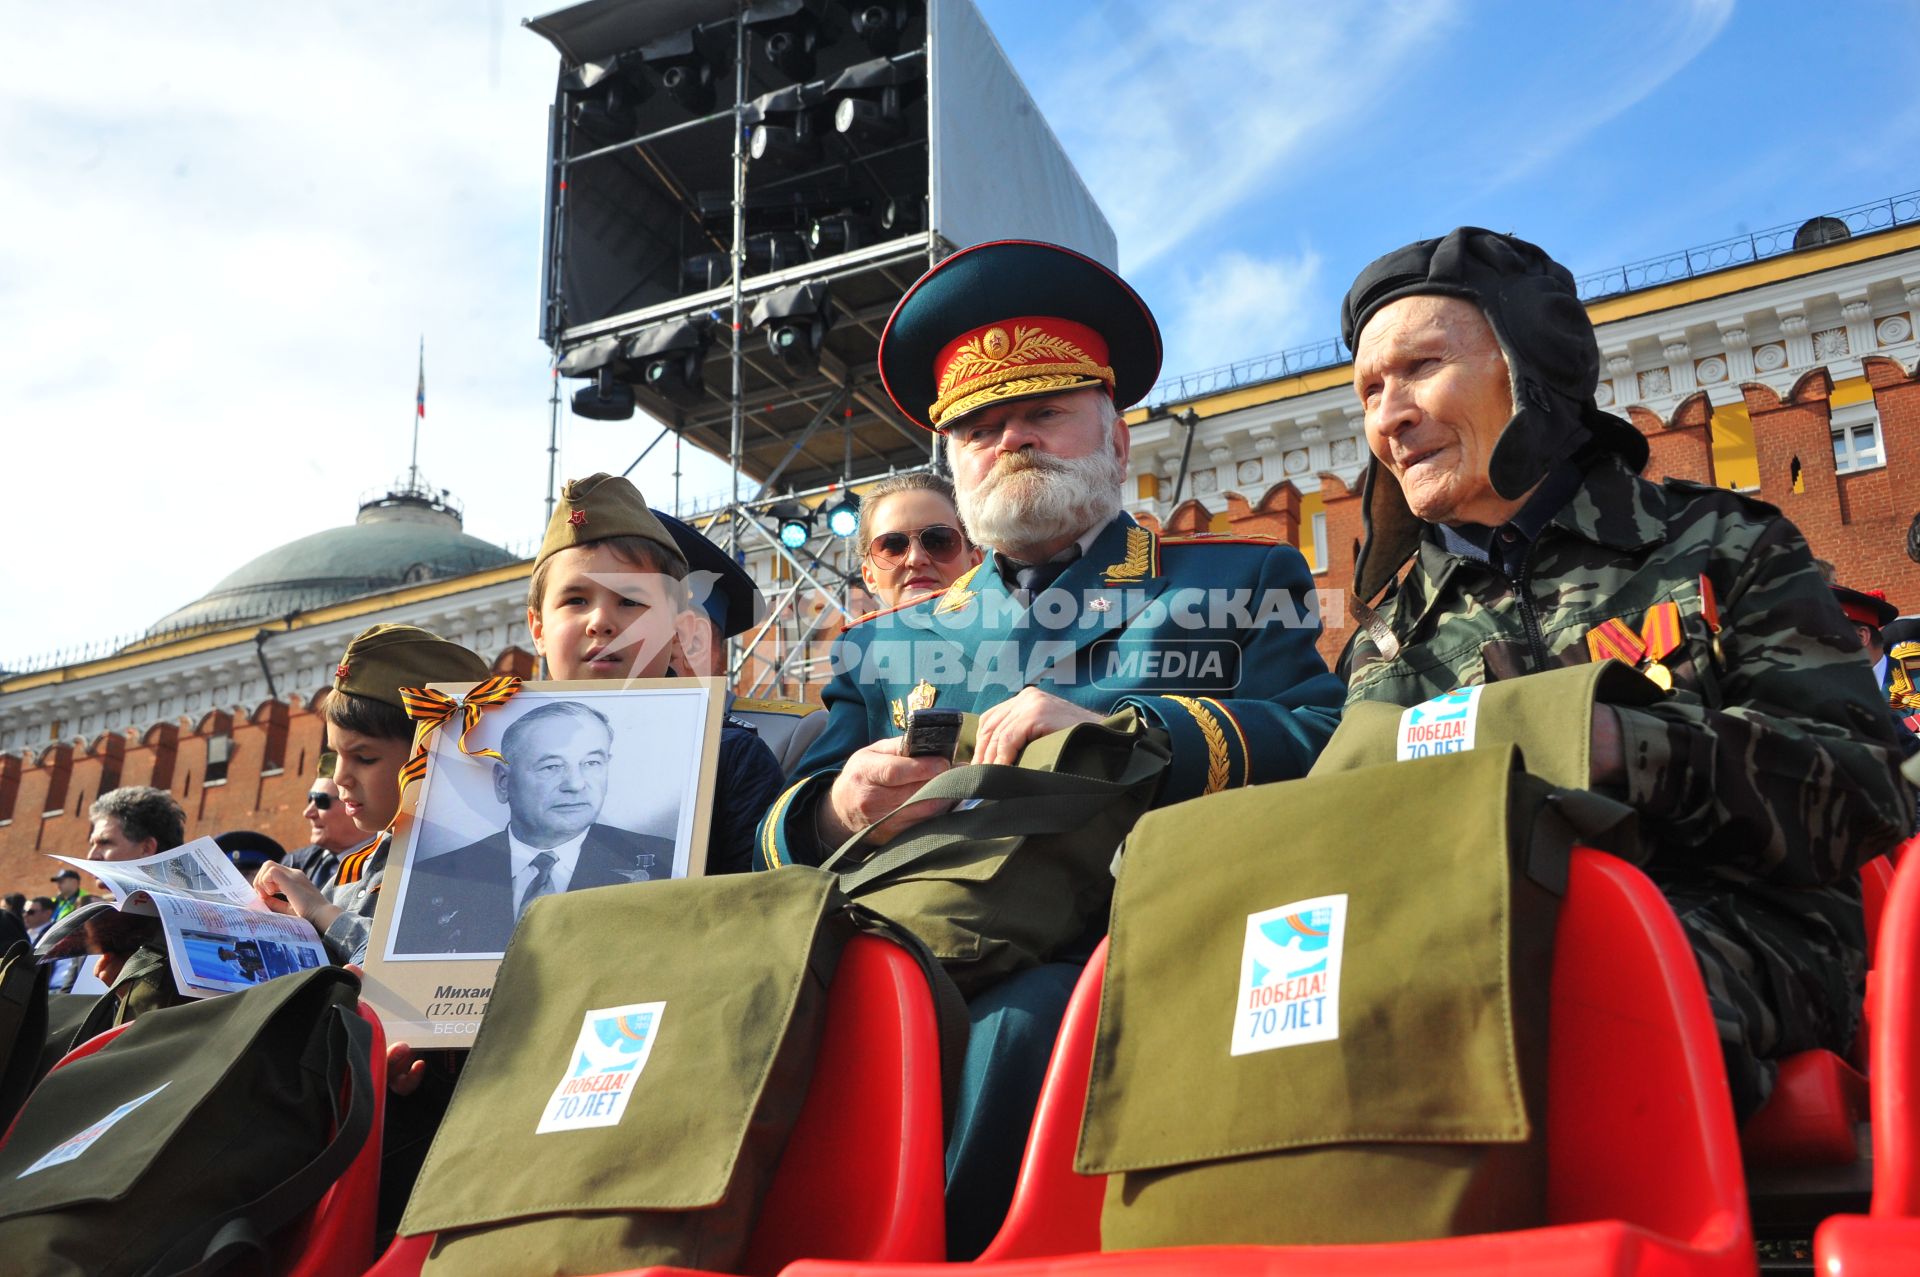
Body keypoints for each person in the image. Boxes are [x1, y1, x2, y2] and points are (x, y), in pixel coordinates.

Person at [756, 239, 1346, 1256]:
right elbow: (782, 828)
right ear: (956, 466)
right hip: (912, 944)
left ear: (1115, 441)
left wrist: (1130, 728)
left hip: (1147, 938)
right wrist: (838, 802)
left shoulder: (1235, 577)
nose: (1013, 438)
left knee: (1026, 1021)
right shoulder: (884, 645)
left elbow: (1323, 738)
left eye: (1043, 412)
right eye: (982, 427)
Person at [1338, 226, 1915, 1120]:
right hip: (1472, 941)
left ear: (1529, 370)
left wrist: (1613, 743)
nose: (1388, 416)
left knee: (1580, 991)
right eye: (1369, 391)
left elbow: (1869, 790)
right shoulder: (1388, 642)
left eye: (1417, 368)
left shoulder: (1722, 546)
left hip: (1743, 928)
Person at [525, 473, 784, 876]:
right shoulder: (475, 750)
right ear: (538, 629)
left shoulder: (726, 757)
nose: (601, 621)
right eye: (575, 599)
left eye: (630, 601)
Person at [253, 624, 492, 967]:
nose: (339, 778)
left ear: (437, 756)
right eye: (336, 755)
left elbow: (419, 975)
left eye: (365, 758)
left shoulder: (480, 869)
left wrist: (323, 913)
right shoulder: (362, 865)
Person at [392, 701, 675, 955]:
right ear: (503, 781)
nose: (575, 784)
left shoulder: (666, 863)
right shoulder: (430, 879)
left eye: (591, 763)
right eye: (551, 767)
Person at [79, 786, 190, 1019]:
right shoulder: (105, 920)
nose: (92, 856)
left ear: (146, 848)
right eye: (92, 843)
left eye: (105, 843)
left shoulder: (184, 922)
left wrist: (131, 992)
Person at [855, 472, 982, 611]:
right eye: (894, 545)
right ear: (869, 575)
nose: (915, 559)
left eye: (937, 542)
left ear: (975, 564)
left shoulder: (1007, 629)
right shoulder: (854, 633)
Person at [284, 764, 365, 892]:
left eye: (321, 801)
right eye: (310, 799)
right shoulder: (293, 863)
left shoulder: (389, 869)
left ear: (353, 804)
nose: (308, 813)